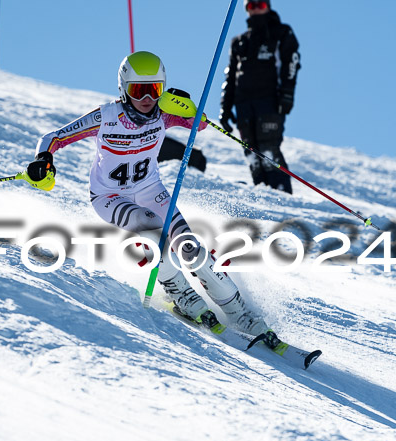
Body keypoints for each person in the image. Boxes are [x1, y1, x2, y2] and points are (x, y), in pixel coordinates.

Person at [24, 51, 282, 347]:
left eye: (154, 89)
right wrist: (43, 159)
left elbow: (199, 125)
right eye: (138, 90)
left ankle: (240, 312)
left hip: (151, 190)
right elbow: (55, 137)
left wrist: (186, 107)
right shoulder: (106, 116)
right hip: (109, 196)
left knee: (190, 249)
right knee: (150, 227)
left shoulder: (163, 113)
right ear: (123, 89)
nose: (147, 98)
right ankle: (182, 295)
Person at [219, 0, 300, 194]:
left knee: (268, 148)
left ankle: (282, 194)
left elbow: (291, 64)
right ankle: (263, 195)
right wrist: (225, 107)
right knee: (252, 154)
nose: (256, 9)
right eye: (251, 5)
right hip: (243, 105)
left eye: (260, 4)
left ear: (268, 7)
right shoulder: (239, 41)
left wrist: (287, 95)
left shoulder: (281, 33)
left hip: (269, 101)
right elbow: (230, 77)